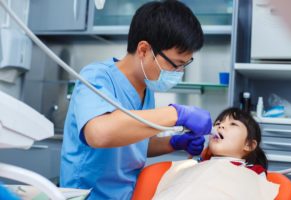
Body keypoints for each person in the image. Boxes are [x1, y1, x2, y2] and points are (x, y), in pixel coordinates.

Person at [60, 1, 212, 199]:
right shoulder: (96, 77)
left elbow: (135, 145)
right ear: (143, 50)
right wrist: (177, 113)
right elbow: (100, 133)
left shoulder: (146, 89)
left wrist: (174, 143)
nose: (179, 73)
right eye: (176, 64)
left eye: (184, 65)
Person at [152, 108, 279, 200]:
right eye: (217, 123)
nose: (220, 126)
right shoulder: (199, 165)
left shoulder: (254, 172)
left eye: (233, 124)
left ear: (249, 145)